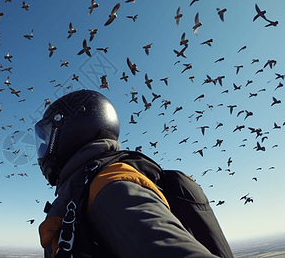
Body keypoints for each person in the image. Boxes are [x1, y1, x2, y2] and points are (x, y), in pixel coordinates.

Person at [35, 89, 234, 258]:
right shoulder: (87, 185)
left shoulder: (109, 184)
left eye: (46, 139)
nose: (42, 149)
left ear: (70, 130)